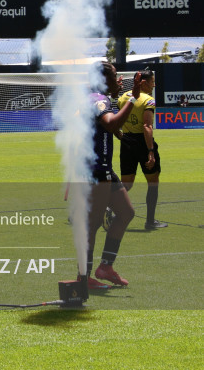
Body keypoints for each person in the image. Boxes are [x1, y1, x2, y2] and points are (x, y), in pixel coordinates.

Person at [84, 63, 141, 288]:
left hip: (103, 168)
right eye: (115, 76)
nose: (119, 80)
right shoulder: (100, 100)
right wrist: (133, 99)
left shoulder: (91, 98)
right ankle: (83, 277)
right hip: (96, 171)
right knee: (93, 223)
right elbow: (110, 122)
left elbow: (98, 127)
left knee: (126, 212)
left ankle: (105, 267)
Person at [117, 68, 167, 229]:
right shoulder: (148, 100)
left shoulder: (123, 97)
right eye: (152, 81)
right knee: (153, 182)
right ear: (144, 83)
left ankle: (106, 208)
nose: (154, 84)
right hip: (142, 143)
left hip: (126, 141)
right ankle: (150, 221)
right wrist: (150, 151)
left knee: (127, 184)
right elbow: (147, 126)